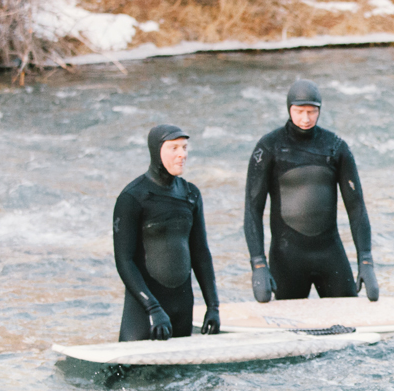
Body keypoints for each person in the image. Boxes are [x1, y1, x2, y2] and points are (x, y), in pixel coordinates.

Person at [244, 79, 378, 303]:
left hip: (330, 254)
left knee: (352, 319)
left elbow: (356, 207)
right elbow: (252, 210)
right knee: (286, 325)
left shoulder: (335, 147)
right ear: (289, 109)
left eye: (312, 111)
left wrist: (366, 261)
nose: (305, 118)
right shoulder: (268, 147)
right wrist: (258, 264)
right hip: (287, 258)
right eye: (299, 111)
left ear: (319, 110)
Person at [112, 124, 220, 342]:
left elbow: (201, 253)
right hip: (145, 312)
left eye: (184, 147)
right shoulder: (133, 197)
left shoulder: (190, 194)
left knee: (181, 366)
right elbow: (124, 261)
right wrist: (152, 308)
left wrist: (213, 306)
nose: (182, 154)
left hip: (182, 307)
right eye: (174, 148)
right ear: (156, 151)